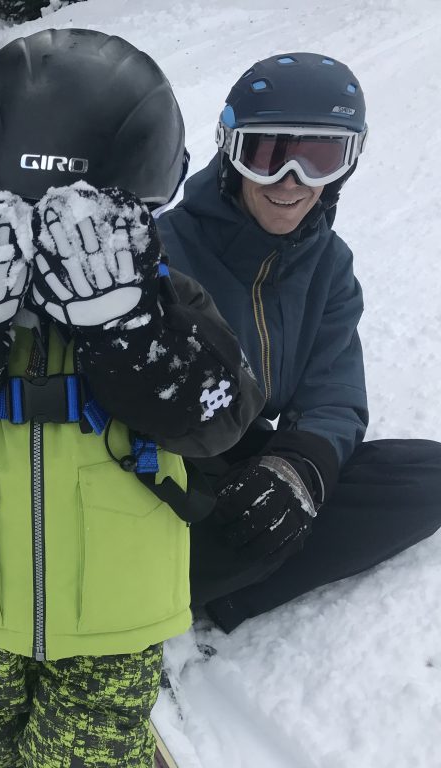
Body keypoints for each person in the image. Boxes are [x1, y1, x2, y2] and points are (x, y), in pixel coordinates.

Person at [0, 29, 263, 768]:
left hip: (116, 621)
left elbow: (220, 418)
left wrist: (129, 329)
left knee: (76, 757)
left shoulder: (166, 302)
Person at [156, 52, 441, 634]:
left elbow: (333, 388)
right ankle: (144, 583)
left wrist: (298, 468)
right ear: (231, 154)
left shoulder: (329, 265)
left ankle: (214, 580)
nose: (293, 184)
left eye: (320, 159)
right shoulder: (162, 250)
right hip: (168, 462)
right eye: (268, 157)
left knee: (424, 478)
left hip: (248, 455)